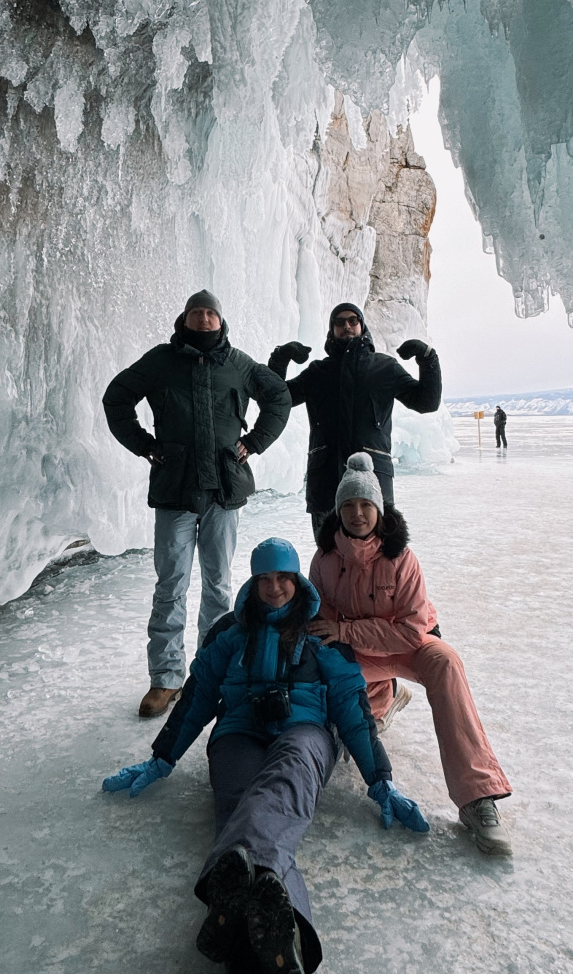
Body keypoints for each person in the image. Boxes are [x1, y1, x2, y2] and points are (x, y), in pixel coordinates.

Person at [102, 537, 428, 974]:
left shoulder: (322, 636)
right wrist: (162, 757)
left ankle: (230, 919)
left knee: (280, 790)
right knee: (239, 802)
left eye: (284, 578)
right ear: (252, 583)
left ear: (297, 581)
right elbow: (197, 697)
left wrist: (379, 778)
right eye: (265, 579)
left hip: (305, 732)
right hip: (239, 731)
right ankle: (283, 942)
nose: (275, 588)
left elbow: (353, 711)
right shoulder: (230, 633)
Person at [308, 453, 514, 856]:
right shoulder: (325, 560)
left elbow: (410, 628)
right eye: (348, 505)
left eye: (366, 504)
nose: (357, 513)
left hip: (407, 645)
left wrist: (347, 630)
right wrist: (339, 634)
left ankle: (477, 796)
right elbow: (322, 626)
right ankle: (381, 699)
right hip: (359, 652)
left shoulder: (403, 558)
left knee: (446, 661)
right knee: (322, 668)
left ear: (379, 509)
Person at [103, 290, 291, 718]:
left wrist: (255, 442)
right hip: (175, 491)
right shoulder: (160, 361)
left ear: (220, 321)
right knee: (170, 585)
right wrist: (143, 445)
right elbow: (117, 398)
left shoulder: (239, 363)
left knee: (219, 584)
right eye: (196, 312)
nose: (204, 319)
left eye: (211, 313)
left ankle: (213, 670)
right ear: (184, 318)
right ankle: (165, 679)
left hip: (223, 491)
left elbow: (278, 398)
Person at [268, 302, 442, 537]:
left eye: (353, 320)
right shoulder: (318, 372)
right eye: (339, 322)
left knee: (376, 560)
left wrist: (428, 359)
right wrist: (280, 359)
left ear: (362, 325)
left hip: (373, 483)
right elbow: (276, 399)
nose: (347, 325)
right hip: (327, 482)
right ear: (332, 330)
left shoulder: (384, 368)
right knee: (329, 560)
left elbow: (426, 402)